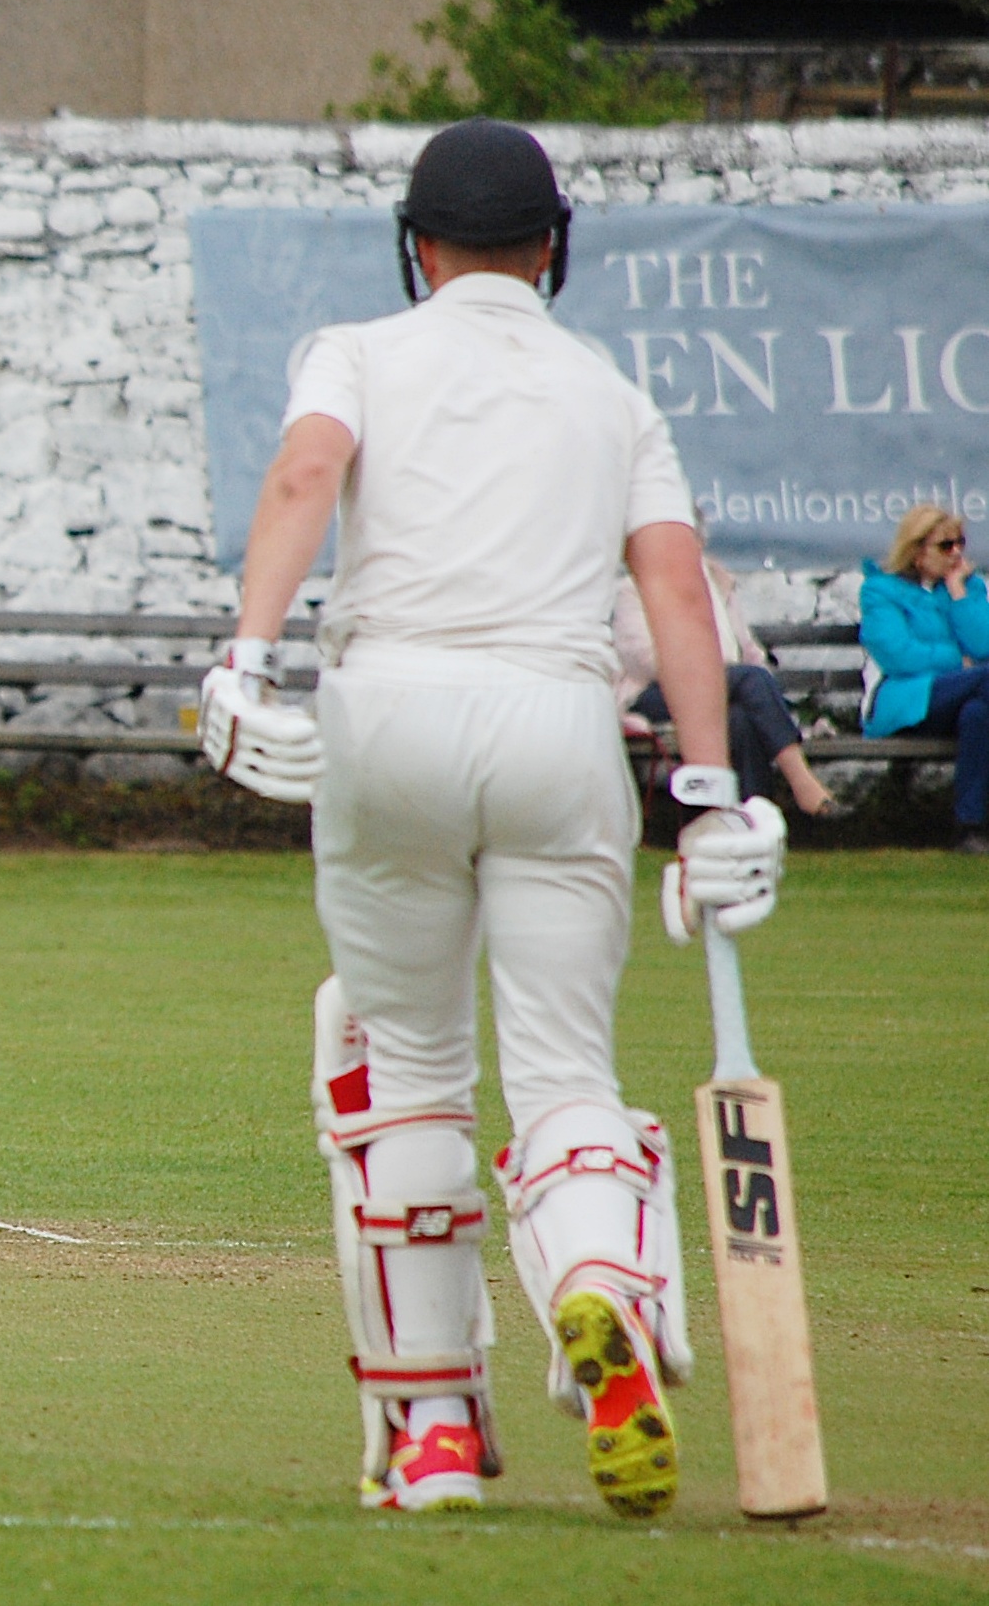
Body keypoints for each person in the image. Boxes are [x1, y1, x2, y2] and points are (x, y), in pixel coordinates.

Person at [200, 120, 785, 1518]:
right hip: (554, 726)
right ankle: (598, 1286)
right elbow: (676, 588)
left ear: (415, 248)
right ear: (551, 246)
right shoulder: (607, 395)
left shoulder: (356, 350)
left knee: (401, 1055)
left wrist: (244, 655)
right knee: (564, 1069)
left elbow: (299, 479)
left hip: (384, 712)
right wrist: (707, 791)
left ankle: (434, 1439)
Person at [612, 532, 837, 815]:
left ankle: (750, 817)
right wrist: (708, 670)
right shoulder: (633, 590)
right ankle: (800, 781)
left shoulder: (717, 583)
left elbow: (746, 648)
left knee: (740, 717)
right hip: (656, 693)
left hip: (722, 688)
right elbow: (643, 659)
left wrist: (754, 686)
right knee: (749, 680)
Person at [860, 505, 989, 853]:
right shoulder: (880, 591)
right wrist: (957, 661)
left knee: (980, 713)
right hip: (907, 700)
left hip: (966, 693)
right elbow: (898, 654)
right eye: (946, 546)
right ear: (917, 552)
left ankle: (970, 827)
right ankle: (970, 825)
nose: (957, 553)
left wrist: (959, 592)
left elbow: (983, 644)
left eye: (960, 543)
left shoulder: (967, 587)